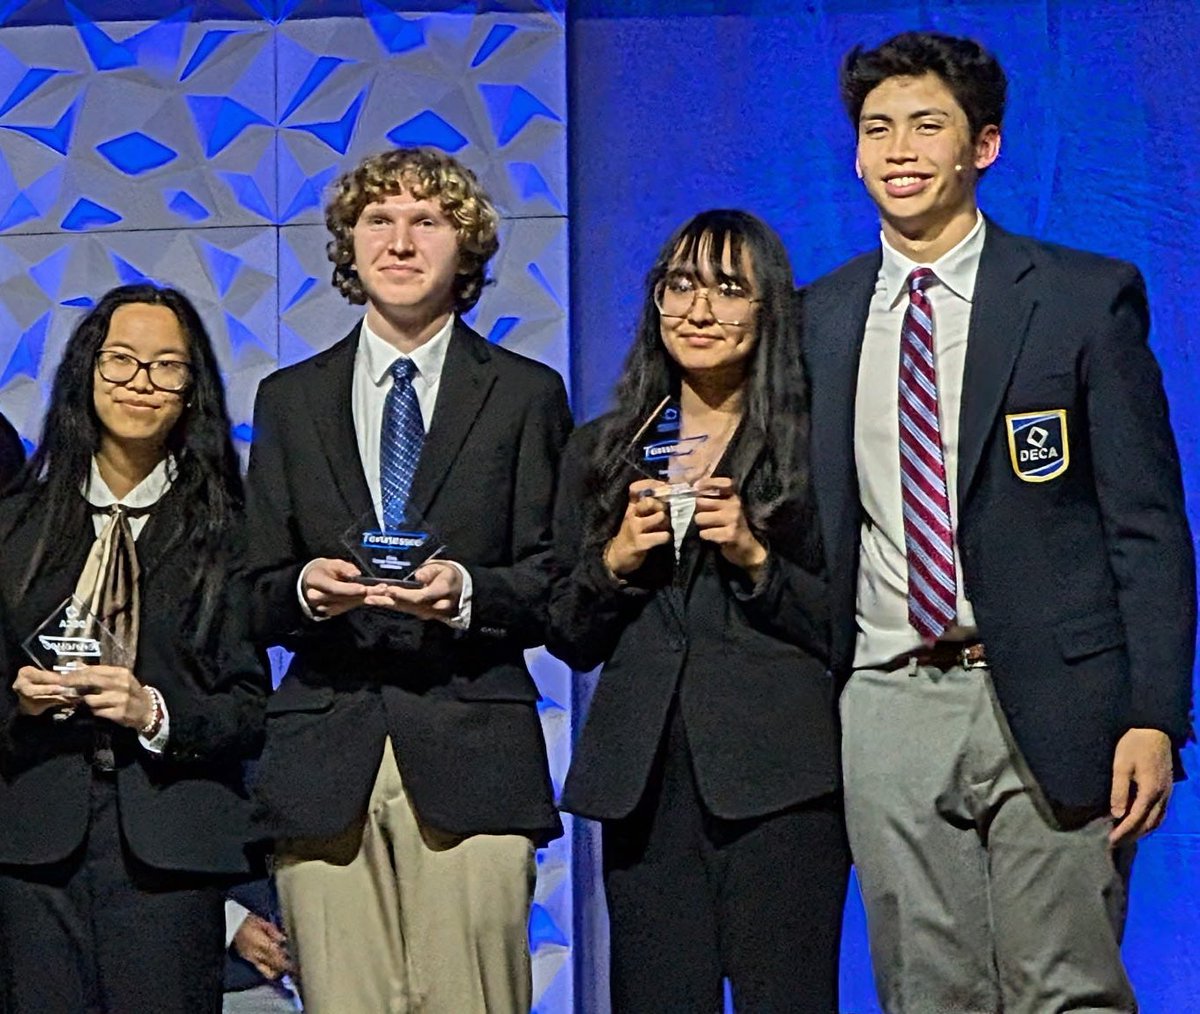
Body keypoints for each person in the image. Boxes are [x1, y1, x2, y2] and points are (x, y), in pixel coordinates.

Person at [801, 30, 1195, 1013]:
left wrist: (1154, 715)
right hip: (889, 698)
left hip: (1059, 699)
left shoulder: (1080, 298)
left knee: (1064, 989)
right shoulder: (820, 316)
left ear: (984, 146)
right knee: (924, 990)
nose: (898, 148)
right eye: (876, 128)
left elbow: (1146, 526)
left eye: (926, 125)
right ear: (853, 153)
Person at [244, 146, 572, 1014]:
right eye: (378, 220)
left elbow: (554, 581)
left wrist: (466, 592)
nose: (400, 240)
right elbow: (249, 589)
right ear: (348, 246)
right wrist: (305, 591)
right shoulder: (289, 398)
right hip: (325, 758)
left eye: (427, 220)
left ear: (465, 249)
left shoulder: (526, 395)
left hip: (472, 745)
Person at [548, 210, 847, 1012]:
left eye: (726, 289)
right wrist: (613, 563)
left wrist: (755, 559)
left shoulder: (818, 443)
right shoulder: (604, 448)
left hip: (780, 784)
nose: (699, 310)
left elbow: (849, 627)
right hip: (643, 784)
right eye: (680, 286)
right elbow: (567, 633)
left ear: (767, 309)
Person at [0, 283, 269, 1013]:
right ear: (87, 375)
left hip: (172, 849)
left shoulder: (232, 534)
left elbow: (250, 709)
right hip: (33, 840)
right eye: (120, 361)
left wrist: (154, 711)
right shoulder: (17, 525)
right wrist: (17, 699)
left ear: (192, 391)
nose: (140, 384)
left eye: (165, 367)